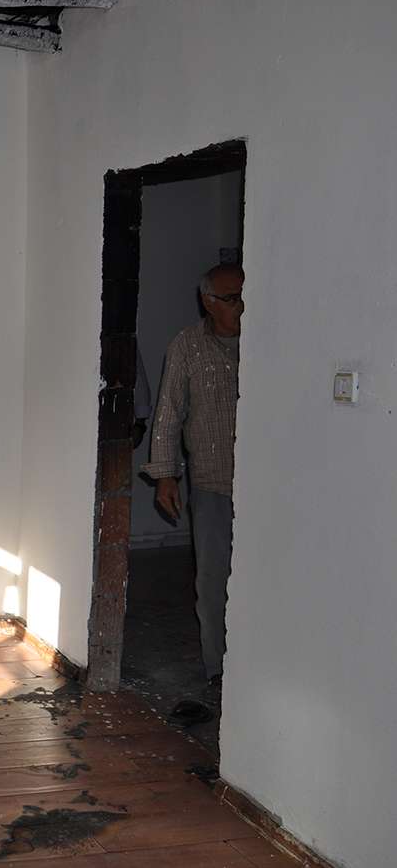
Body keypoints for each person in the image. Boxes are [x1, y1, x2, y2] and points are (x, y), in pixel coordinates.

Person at [142, 263, 244, 688]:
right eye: (232, 299)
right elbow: (168, 415)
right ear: (208, 302)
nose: (242, 307)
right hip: (213, 484)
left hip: (270, 486)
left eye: (245, 296)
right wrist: (166, 475)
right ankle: (218, 669)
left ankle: (258, 666)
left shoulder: (270, 342)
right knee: (214, 580)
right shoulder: (187, 346)